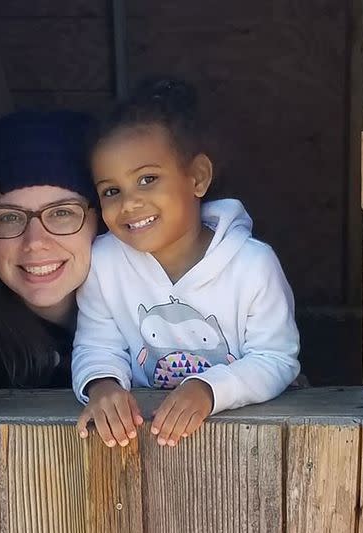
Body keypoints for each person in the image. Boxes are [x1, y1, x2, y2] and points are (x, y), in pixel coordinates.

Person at [72, 79, 301, 448]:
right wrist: (103, 387)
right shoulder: (104, 262)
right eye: (111, 191)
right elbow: (97, 347)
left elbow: (276, 358)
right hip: (138, 449)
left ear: (197, 177)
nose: (129, 203)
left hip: (245, 450)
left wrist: (209, 390)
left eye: (147, 179)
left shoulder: (252, 265)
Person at [0, 110, 99, 389]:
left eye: (62, 212)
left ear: (101, 220)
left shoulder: (160, 311)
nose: (35, 241)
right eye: (9, 217)